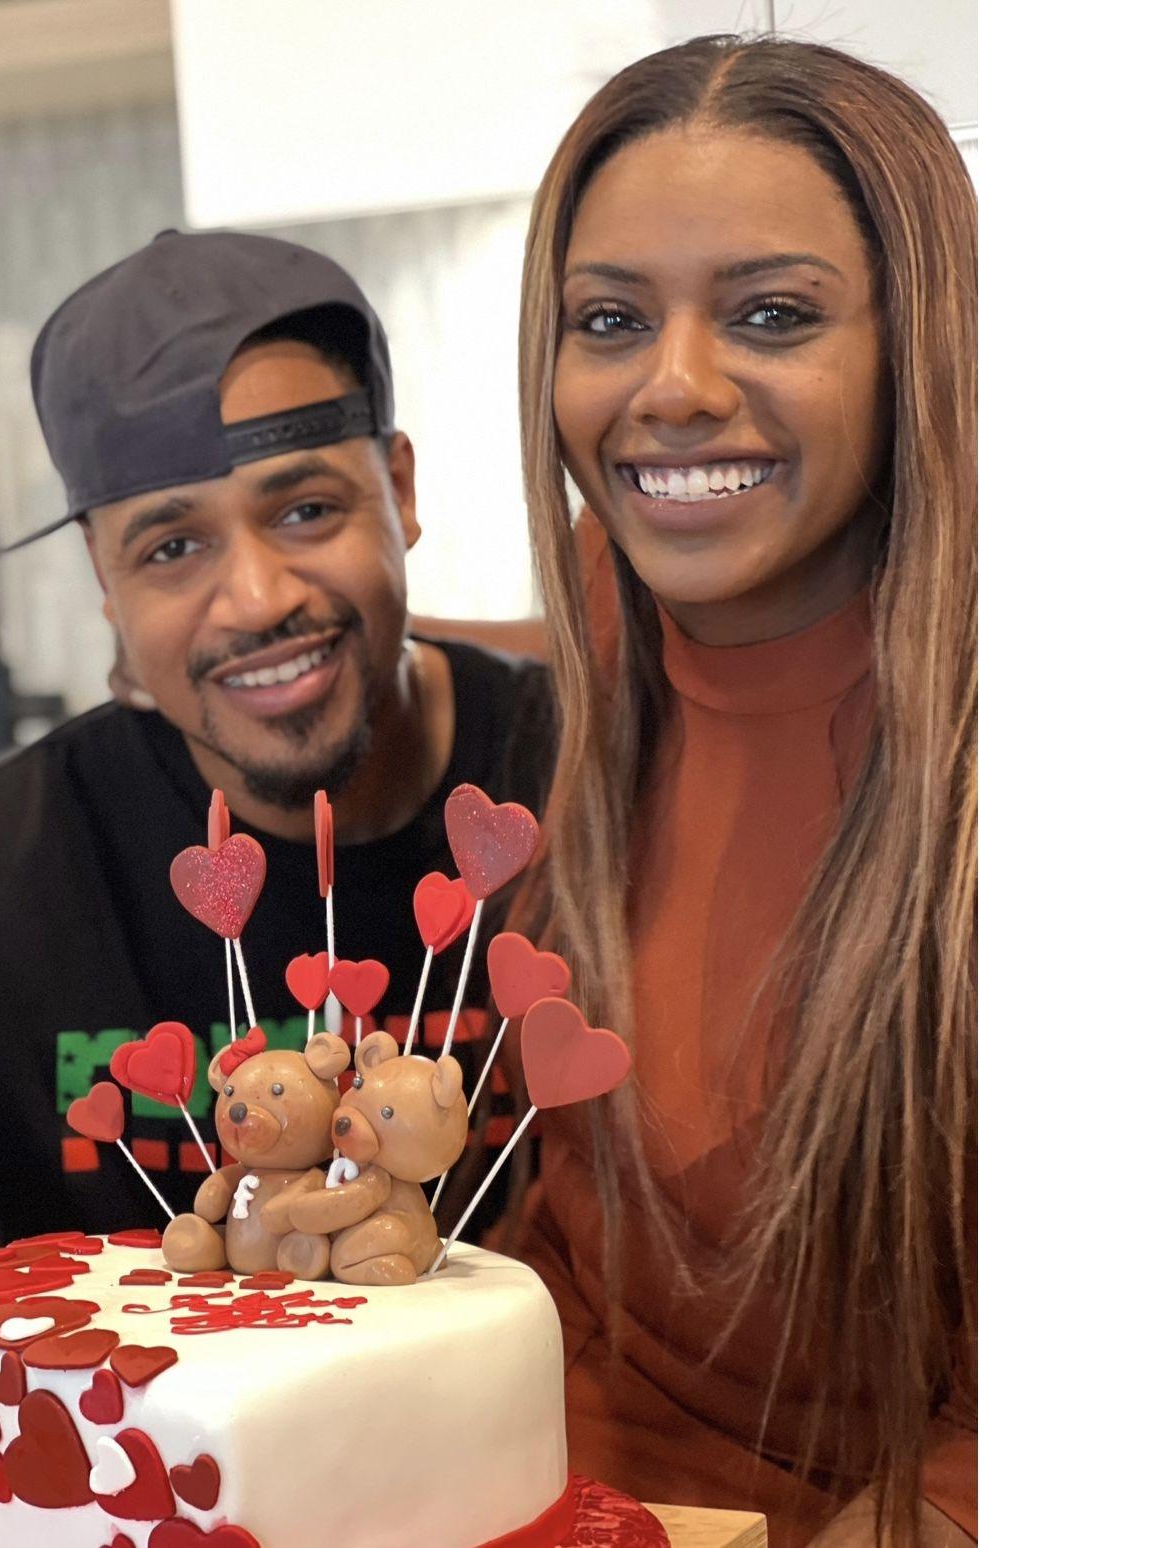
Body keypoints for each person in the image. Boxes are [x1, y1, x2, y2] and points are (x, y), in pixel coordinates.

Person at [0, 231, 552, 1267]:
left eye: (307, 509)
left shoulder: (599, 776)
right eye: (173, 547)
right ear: (104, 581)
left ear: (400, 490)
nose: (257, 599)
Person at [501, 36, 976, 1548]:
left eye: (773, 313)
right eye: (610, 321)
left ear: (920, 344)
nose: (675, 388)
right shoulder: (610, 609)